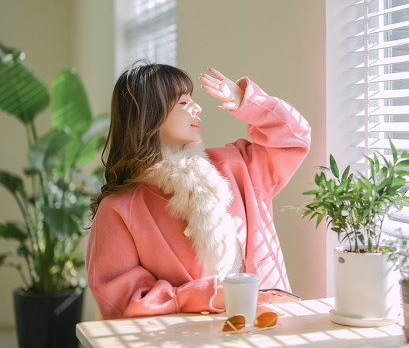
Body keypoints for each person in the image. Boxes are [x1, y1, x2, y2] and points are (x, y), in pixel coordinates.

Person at [86, 63, 311, 319]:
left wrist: (246, 101)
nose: (197, 108)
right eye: (183, 103)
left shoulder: (236, 167)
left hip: (269, 329)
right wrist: (209, 295)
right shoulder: (120, 208)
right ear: (150, 116)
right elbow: (123, 301)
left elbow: (296, 138)